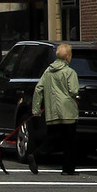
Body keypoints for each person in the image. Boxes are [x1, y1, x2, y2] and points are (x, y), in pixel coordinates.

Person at [30, 42, 80, 176]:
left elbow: (38, 89)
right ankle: (68, 169)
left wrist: (36, 109)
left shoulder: (47, 71)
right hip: (68, 111)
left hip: (52, 111)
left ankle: (36, 155)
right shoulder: (70, 72)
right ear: (68, 57)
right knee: (69, 141)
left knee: (52, 138)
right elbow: (74, 90)